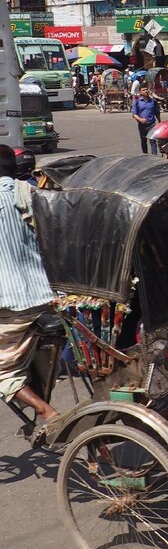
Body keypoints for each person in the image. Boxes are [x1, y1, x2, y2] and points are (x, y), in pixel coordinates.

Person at [0, 145, 58, 421]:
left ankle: (45, 411)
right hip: (48, 294)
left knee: (2, 372)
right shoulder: (30, 192)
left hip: (13, 301)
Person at [131, 84, 161, 154]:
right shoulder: (137, 101)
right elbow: (134, 114)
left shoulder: (153, 101)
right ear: (140, 92)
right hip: (142, 125)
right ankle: (145, 156)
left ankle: (154, 157)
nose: (145, 91)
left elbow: (157, 113)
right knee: (143, 141)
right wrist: (140, 119)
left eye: (146, 89)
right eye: (143, 90)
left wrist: (160, 122)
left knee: (153, 140)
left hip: (152, 124)